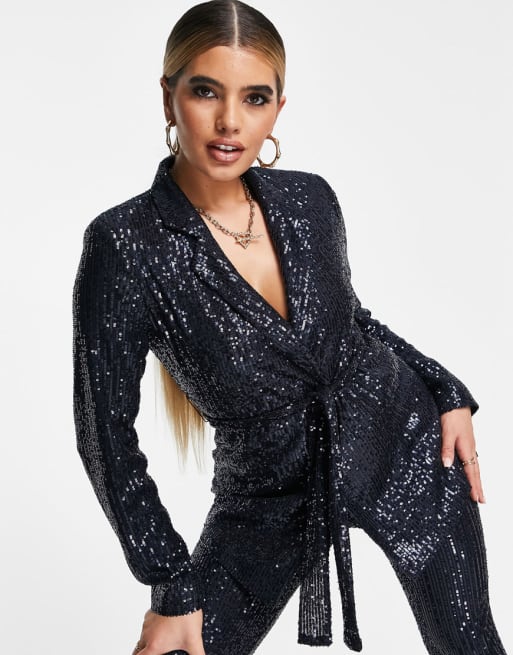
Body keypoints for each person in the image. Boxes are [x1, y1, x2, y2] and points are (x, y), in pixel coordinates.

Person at [72, 1, 507, 654]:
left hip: (405, 444)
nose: (229, 121)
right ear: (168, 98)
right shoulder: (127, 244)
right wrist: (169, 580)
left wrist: (447, 390)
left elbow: (353, 325)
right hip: (267, 496)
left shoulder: (310, 201)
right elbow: (103, 432)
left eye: (254, 98)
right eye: (205, 92)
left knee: (471, 642)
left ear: (277, 108)